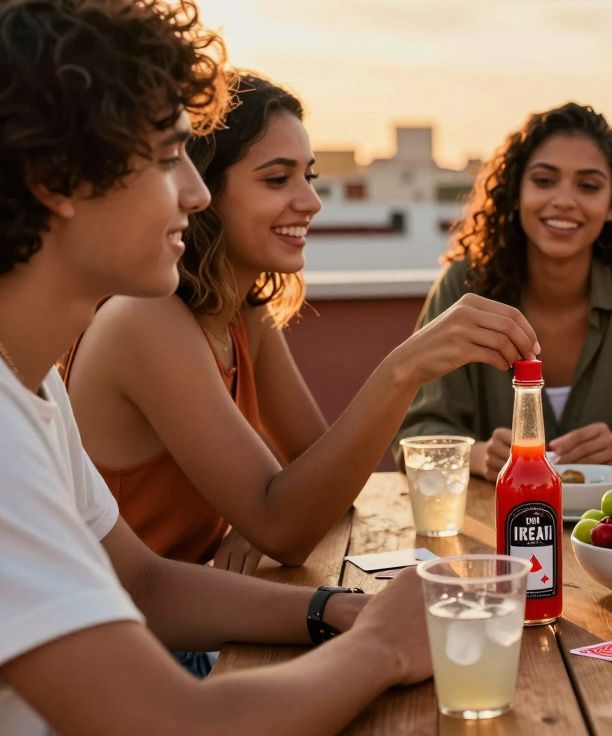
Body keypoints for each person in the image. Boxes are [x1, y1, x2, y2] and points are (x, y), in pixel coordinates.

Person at [0, 2, 433, 733]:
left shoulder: (32, 383)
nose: (194, 193)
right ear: (56, 178)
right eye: (169, 157)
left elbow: (141, 582)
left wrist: (341, 611)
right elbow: (176, 723)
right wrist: (386, 647)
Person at [65, 72, 538, 573]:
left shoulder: (243, 312)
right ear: (202, 191)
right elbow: (285, 528)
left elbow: (322, 497)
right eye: (277, 179)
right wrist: (406, 366)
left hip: (197, 627)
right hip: (123, 640)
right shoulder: (145, 318)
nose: (311, 202)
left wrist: (272, 520)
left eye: (308, 177)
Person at [395, 102, 612, 480]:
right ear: (515, 193)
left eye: (588, 186)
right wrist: (479, 456)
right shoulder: (464, 285)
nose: (564, 200)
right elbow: (416, 435)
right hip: (495, 526)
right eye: (544, 181)